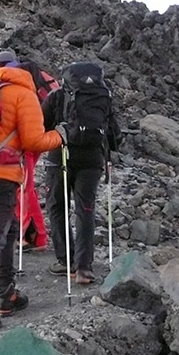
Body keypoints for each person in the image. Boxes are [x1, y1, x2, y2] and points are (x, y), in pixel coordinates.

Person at [0, 62, 64, 332]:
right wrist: (59, 136)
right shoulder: (22, 93)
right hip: (2, 174)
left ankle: (8, 295)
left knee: (8, 228)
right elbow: (33, 141)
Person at [41, 65, 121, 284]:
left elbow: (42, 124)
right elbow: (115, 134)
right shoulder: (104, 96)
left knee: (57, 207)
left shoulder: (57, 95)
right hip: (93, 159)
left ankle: (66, 262)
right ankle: (84, 268)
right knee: (85, 209)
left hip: (61, 155)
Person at [14, 59, 60, 252]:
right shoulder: (47, 81)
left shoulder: (22, 87)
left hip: (26, 142)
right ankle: (36, 235)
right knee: (26, 186)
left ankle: (33, 236)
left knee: (22, 186)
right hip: (44, 139)